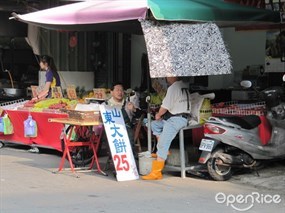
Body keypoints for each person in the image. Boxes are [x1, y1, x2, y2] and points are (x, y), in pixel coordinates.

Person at [142, 77, 191, 180]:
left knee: (163, 143)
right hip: (179, 118)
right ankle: (164, 150)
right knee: (154, 125)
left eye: (168, 75)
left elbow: (165, 106)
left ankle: (156, 172)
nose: (166, 77)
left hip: (176, 119)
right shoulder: (184, 85)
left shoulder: (173, 87)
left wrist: (158, 115)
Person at [29, 55, 61, 153]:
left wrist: (37, 98)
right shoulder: (52, 72)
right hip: (56, 98)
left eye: (41, 62)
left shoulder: (49, 73)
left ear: (45, 63)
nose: (40, 64)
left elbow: (47, 90)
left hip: (53, 99)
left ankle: (39, 141)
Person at [106, 82, 140, 157]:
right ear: (111, 92)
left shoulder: (128, 104)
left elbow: (139, 115)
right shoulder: (106, 105)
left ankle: (130, 158)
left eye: (121, 90)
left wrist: (134, 109)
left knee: (128, 135)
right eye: (117, 90)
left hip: (126, 128)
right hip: (111, 129)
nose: (120, 92)